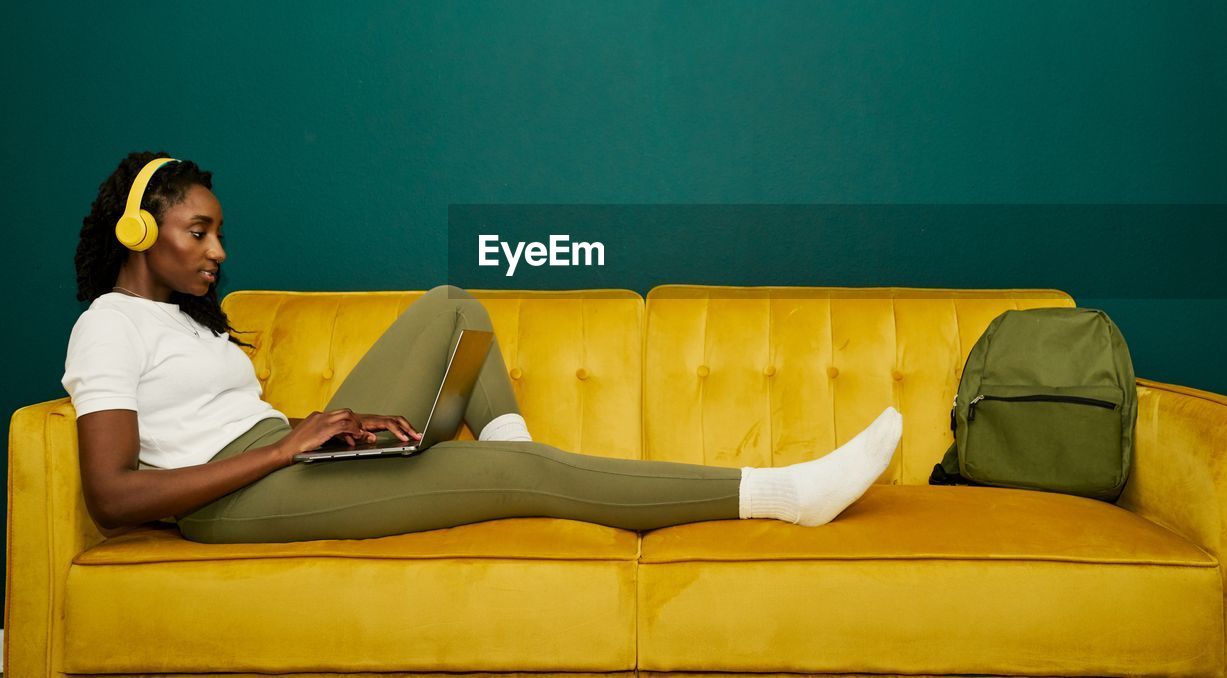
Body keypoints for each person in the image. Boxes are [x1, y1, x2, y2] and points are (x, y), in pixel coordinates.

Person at [62, 151, 904, 544]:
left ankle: (514, 461)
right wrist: (284, 450)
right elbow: (112, 494)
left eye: (219, 233)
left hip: (283, 456)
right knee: (527, 476)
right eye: (198, 231)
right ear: (139, 232)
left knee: (453, 305)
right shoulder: (109, 322)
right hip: (235, 501)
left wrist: (320, 432)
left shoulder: (183, 319)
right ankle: (785, 493)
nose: (218, 252)